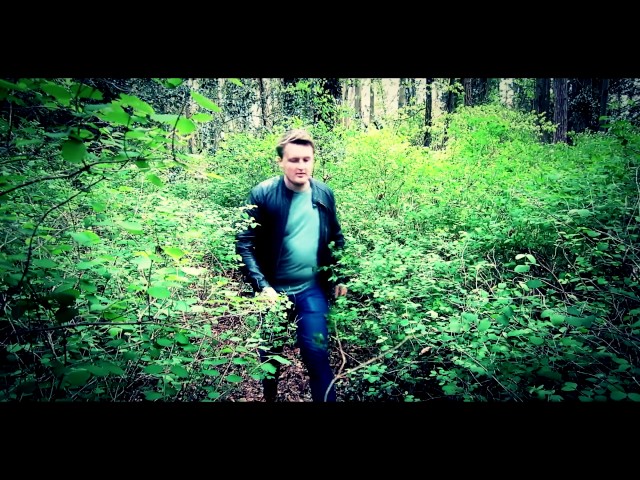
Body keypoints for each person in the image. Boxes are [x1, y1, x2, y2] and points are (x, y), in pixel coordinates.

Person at [235, 128, 348, 402]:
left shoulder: (324, 194)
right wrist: (263, 287)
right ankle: (270, 396)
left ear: (313, 160)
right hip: (273, 294)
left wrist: (340, 275)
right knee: (270, 359)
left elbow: (336, 237)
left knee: (318, 354)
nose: (301, 166)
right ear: (281, 162)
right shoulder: (262, 194)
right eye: (294, 160)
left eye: (306, 159)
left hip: (312, 292)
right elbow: (244, 244)